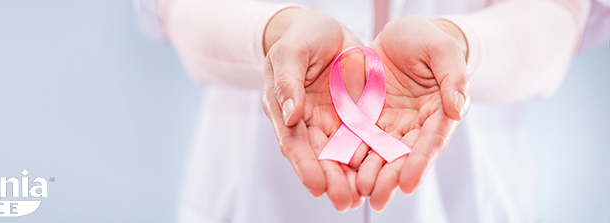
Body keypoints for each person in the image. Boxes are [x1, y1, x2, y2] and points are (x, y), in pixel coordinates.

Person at [137, 0, 606, 222]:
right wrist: (274, 32)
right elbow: (179, 8)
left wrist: (460, 49)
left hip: (465, 199)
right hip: (252, 197)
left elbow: (560, 17)